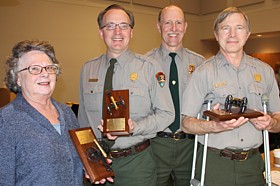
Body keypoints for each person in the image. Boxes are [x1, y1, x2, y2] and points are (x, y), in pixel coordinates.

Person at [181, 7, 280, 186]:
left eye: (239, 28)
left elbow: (278, 118)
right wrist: (214, 125)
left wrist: (271, 123)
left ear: (248, 34)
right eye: (225, 28)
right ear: (216, 35)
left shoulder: (264, 71)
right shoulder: (203, 72)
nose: (232, 34)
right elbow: (186, 124)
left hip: (252, 165)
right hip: (215, 165)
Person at [78, 4, 175, 186]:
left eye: (123, 26)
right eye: (110, 26)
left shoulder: (149, 68)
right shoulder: (87, 69)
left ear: (131, 32)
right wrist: (86, 159)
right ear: (101, 32)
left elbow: (167, 114)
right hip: (98, 162)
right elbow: (83, 119)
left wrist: (135, 127)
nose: (117, 32)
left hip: (136, 163)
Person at [0, 40, 111, 186]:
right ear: (18, 78)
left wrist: (90, 166)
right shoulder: (6, 120)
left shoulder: (66, 113)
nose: (45, 74)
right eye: (34, 69)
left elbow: (71, 158)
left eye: (49, 68)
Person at [145, 5, 205, 186]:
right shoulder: (144, 64)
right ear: (159, 27)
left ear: (185, 26)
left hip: (189, 144)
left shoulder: (200, 64)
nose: (173, 28)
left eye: (178, 22)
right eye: (168, 23)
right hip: (155, 144)